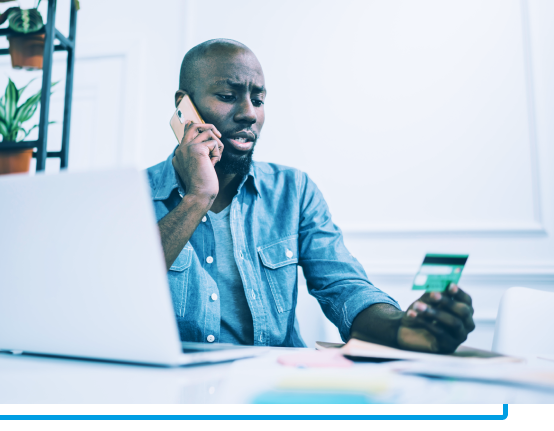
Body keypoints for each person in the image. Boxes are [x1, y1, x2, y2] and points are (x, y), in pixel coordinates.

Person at [146, 38, 475, 352]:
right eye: (227, 95)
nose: (249, 113)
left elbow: (345, 289)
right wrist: (197, 196)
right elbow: (116, 298)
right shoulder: (135, 197)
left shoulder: (294, 191)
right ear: (184, 106)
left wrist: (402, 327)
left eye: (258, 100)